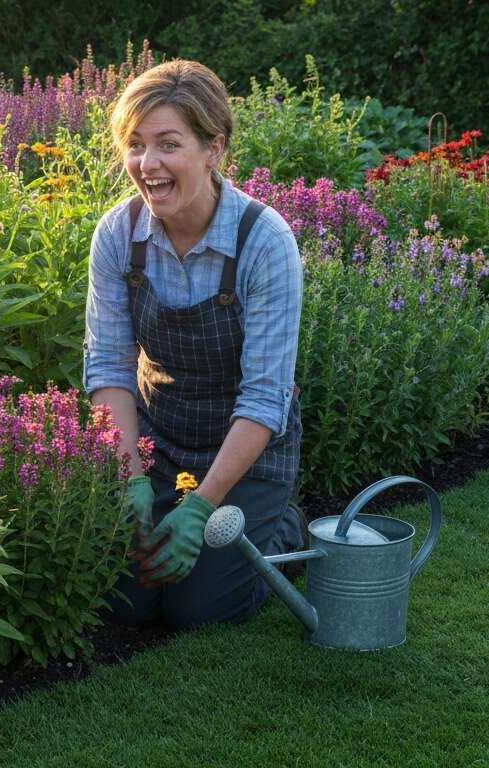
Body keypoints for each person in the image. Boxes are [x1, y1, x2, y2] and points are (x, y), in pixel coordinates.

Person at [83, 59, 306, 629]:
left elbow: (263, 399)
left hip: (246, 452)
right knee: (127, 599)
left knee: (198, 611)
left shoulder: (265, 242)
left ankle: (282, 525)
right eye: (135, 144)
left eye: (168, 144)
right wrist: (129, 473)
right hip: (162, 440)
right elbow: (109, 366)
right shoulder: (117, 235)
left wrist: (203, 507)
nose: (147, 165)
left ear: (214, 148)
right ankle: (176, 510)